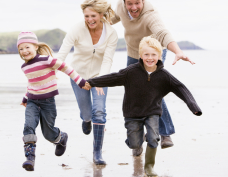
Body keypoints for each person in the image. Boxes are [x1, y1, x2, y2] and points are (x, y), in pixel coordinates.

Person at [86, 36, 202, 176]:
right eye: (146, 54)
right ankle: (136, 140)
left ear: (159, 56)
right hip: (132, 114)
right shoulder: (130, 72)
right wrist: (91, 82)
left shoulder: (164, 76)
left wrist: (193, 106)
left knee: (153, 138)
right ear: (140, 55)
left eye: (154, 55)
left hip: (152, 112)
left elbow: (180, 88)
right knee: (135, 144)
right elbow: (113, 77)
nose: (150, 58)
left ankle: (149, 167)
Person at [111, 0, 195, 153]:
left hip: (154, 52)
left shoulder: (150, 14)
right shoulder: (120, 6)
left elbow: (163, 33)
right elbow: (111, 18)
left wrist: (177, 51)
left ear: (143, 0)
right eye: (130, 3)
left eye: (137, 3)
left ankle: (165, 133)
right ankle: (136, 137)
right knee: (133, 93)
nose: (134, 7)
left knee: (151, 90)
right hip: (133, 52)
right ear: (124, 2)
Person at [57, 0, 118, 165]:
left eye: (93, 16)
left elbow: (108, 60)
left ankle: (97, 153)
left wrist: (101, 80)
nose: (90, 20)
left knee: (99, 111)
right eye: (86, 16)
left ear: (101, 15)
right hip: (78, 77)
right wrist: (50, 70)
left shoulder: (111, 33)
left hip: (100, 76)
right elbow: (62, 55)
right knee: (87, 113)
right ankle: (86, 120)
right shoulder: (76, 29)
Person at [17, 32, 87, 171]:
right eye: (21, 49)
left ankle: (61, 138)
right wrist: (26, 97)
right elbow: (32, 83)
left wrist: (79, 81)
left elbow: (66, 68)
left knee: (48, 133)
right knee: (28, 126)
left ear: (35, 46)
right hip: (32, 101)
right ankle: (30, 158)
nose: (24, 51)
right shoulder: (24, 67)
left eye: (27, 47)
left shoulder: (46, 60)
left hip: (47, 102)